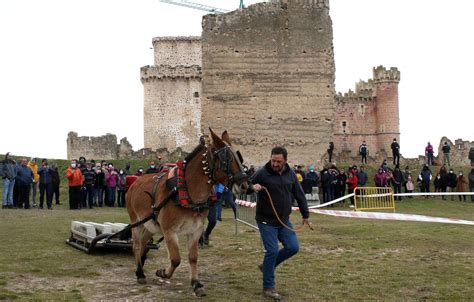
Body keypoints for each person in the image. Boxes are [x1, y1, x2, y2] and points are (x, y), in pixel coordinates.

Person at [248, 146, 311, 300]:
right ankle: (268, 287)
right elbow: (244, 186)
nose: (275, 164)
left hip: (283, 220)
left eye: (278, 161)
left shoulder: (291, 174)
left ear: (285, 161)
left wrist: (305, 215)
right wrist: (252, 187)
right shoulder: (262, 173)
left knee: (293, 247)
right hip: (266, 221)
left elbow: (299, 194)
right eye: (273, 160)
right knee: (272, 251)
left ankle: (267, 267)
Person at [199, 183, 225, 248]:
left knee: (213, 221)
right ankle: (200, 241)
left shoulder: (213, 174)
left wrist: (219, 191)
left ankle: (206, 234)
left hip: (211, 200)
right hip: (199, 199)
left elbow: (221, 182)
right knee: (200, 222)